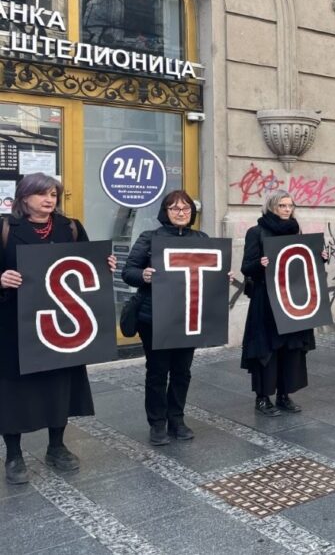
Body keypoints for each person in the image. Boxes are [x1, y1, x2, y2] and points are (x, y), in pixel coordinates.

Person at [0, 173, 116, 484]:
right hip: (16, 325)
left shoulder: (71, 227)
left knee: (59, 386)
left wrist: (106, 266)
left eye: (53, 193)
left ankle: (57, 446)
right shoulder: (6, 228)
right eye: (41, 194)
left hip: (62, 327)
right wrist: (1, 279)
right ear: (24, 197)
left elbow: (90, 266)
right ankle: (14, 454)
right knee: (13, 391)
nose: (49, 199)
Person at [122, 190, 221, 446]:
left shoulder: (201, 238)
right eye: (175, 208)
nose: (181, 213)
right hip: (154, 317)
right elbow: (128, 271)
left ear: (192, 213)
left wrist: (222, 276)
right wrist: (143, 275)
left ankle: (176, 418)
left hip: (187, 316)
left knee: (182, 371)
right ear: (165, 212)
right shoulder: (150, 238)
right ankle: (157, 423)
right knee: (157, 371)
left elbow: (210, 270)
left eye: (186, 209)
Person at [241, 190, 320, 413]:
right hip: (266, 301)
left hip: (292, 300)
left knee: (291, 348)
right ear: (271, 207)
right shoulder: (256, 232)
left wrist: (317, 259)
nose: (287, 210)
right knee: (268, 349)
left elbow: (301, 268)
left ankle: (285, 395)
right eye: (282, 206)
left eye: (290, 206)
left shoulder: (296, 231)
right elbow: (246, 267)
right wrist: (260, 263)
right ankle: (263, 397)